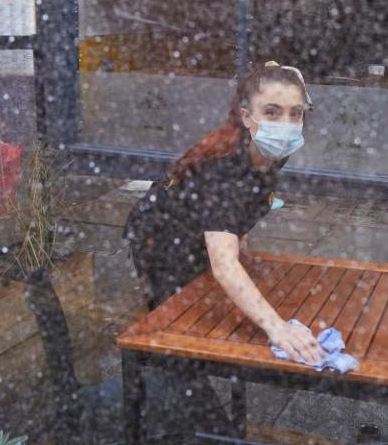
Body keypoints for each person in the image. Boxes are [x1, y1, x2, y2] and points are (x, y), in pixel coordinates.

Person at [121, 61, 322, 435]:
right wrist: (277, 329)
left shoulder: (273, 149)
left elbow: (244, 208)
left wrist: (239, 242)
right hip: (164, 240)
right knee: (179, 332)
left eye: (296, 113)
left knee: (214, 307)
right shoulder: (223, 171)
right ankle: (195, 427)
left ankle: (195, 414)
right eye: (272, 112)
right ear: (247, 117)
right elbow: (224, 263)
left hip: (196, 230)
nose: (287, 123)